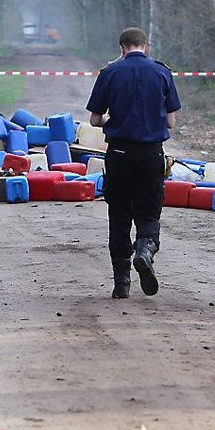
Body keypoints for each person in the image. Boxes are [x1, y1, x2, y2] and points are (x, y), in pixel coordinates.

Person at [86, 27, 181, 298]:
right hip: (151, 154)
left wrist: (111, 121)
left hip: (119, 154)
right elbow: (170, 121)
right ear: (145, 46)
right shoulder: (162, 73)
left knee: (119, 215)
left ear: (122, 48)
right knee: (149, 212)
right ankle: (144, 250)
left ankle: (121, 284)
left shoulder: (109, 73)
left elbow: (95, 119)